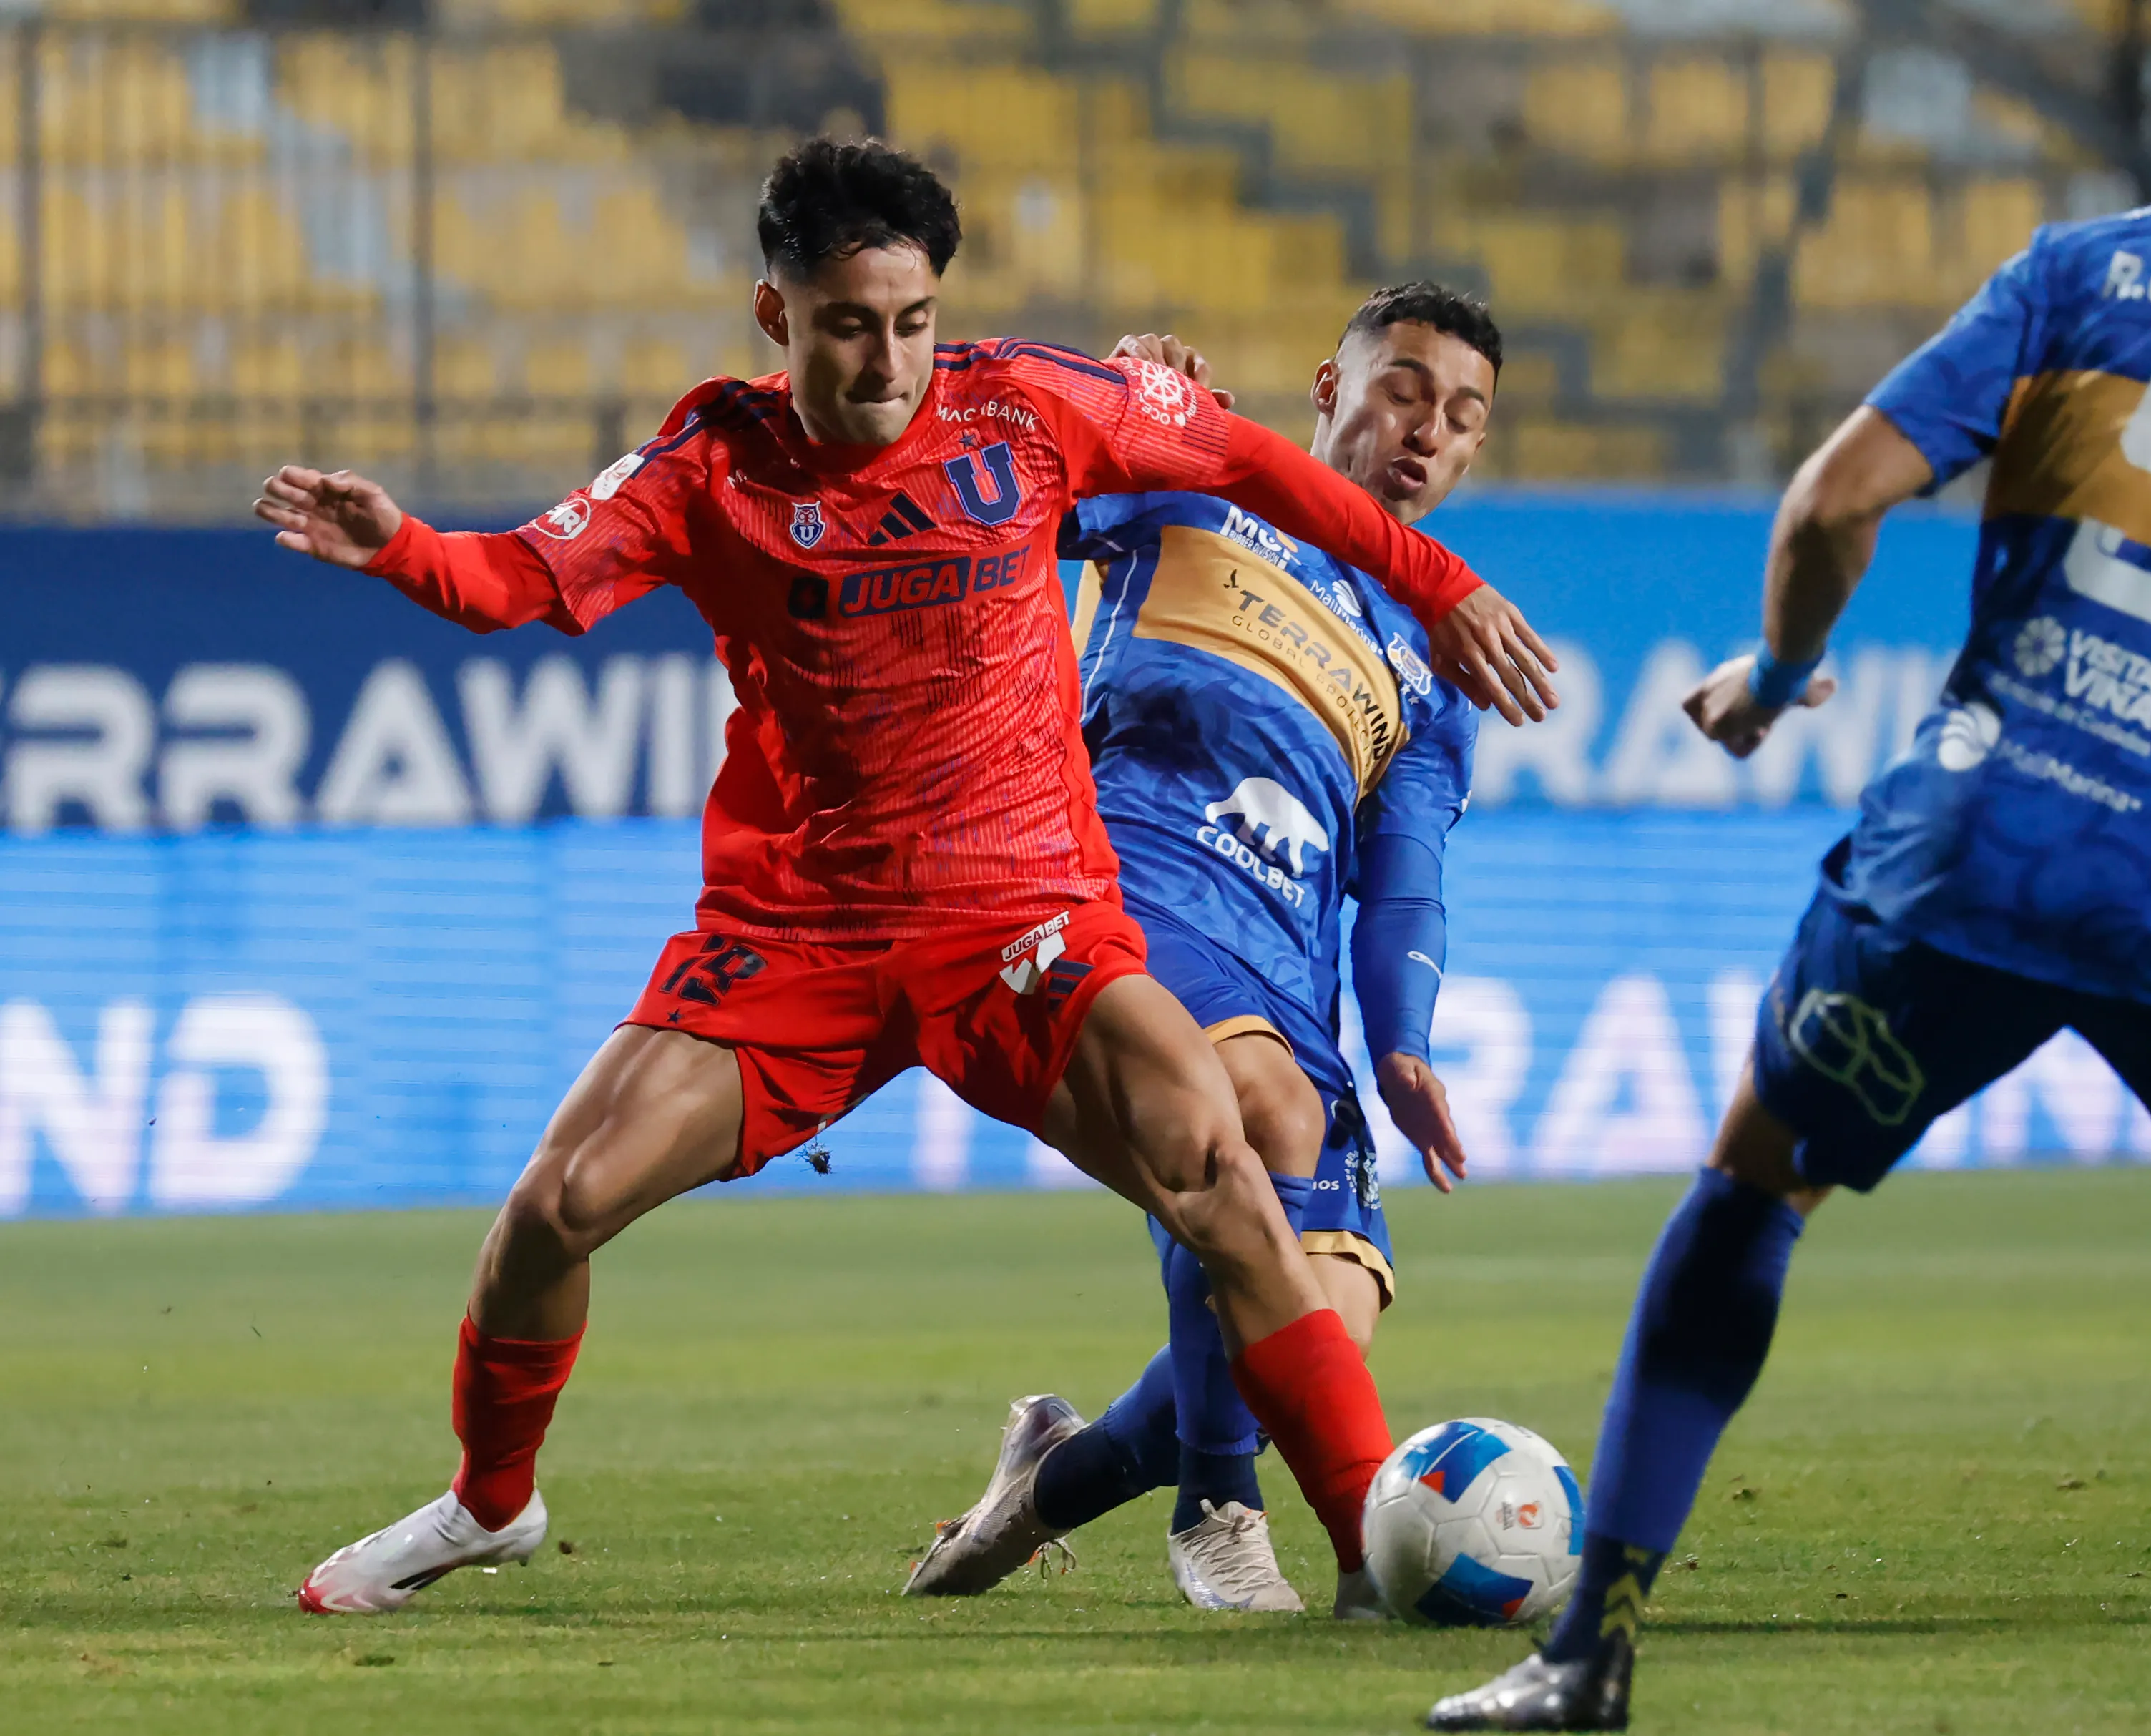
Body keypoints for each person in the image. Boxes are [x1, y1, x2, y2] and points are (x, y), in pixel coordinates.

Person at [1429, 0, 2151, 1726]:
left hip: (1979, 831)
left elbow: (1834, 500)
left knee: (1758, 1174)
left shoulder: (2088, 269)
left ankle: (1586, 1651)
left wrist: (1766, 678)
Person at [255, 136, 1561, 1616]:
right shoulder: (711, 466)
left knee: (1222, 1170)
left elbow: (1249, 457)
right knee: (558, 1204)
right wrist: (407, 548)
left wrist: (1440, 584)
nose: (886, 362)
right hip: (805, 927)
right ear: (780, 317)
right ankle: (492, 1503)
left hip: (1025, 913)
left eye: (911, 321)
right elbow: (530, 578)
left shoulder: (1026, 406)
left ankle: (1362, 1556)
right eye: (848, 326)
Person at [902, 285, 1498, 1616]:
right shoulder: (1186, 480)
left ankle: (1046, 1480)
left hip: (1291, 976)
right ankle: (1220, 1513)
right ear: (1328, 388)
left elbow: (1403, 882)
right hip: (1123, 884)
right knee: (1250, 1114)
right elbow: (1015, 488)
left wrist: (1399, 1038)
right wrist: (1120, 396)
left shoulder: (1434, 663)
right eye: (1401, 387)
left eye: (1462, 417)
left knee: (1302, 1330)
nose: (1426, 430)